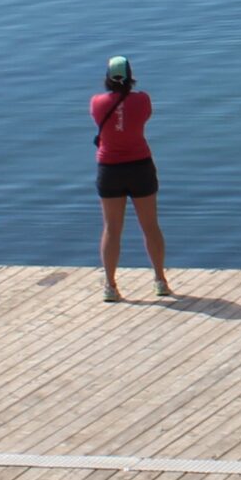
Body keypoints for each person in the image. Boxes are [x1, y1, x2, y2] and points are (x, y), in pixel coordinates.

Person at [93, 55, 172, 301]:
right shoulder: (143, 101)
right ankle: (159, 281)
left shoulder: (97, 103)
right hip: (140, 166)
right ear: (130, 77)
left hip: (110, 169)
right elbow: (141, 116)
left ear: (107, 78)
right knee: (150, 225)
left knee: (112, 228)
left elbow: (106, 122)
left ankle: (110, 286)